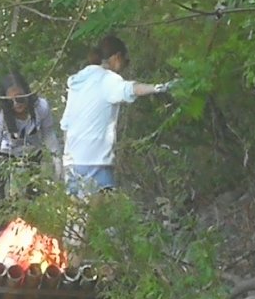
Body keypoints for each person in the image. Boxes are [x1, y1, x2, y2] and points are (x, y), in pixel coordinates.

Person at [60, 35, 174, 198]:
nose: (124, 67)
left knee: (77, 220)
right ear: (116, 57)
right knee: (102, 219)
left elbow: (66, 125)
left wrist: (67, 159)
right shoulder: (108, 79)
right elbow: (132, 89)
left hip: (72, 162)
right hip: (96, 162)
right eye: (126, 62)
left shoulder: (79, 81)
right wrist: (160, 88)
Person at [0, 71, 63, 215]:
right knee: (2, 201)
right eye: (10, 101)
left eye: (19, 99)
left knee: (31, 198)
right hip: (6, 155)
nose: (15, 104)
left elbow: (49, 134)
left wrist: (57, 161)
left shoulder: (41, 107)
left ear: (27, 94)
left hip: (31, 154)